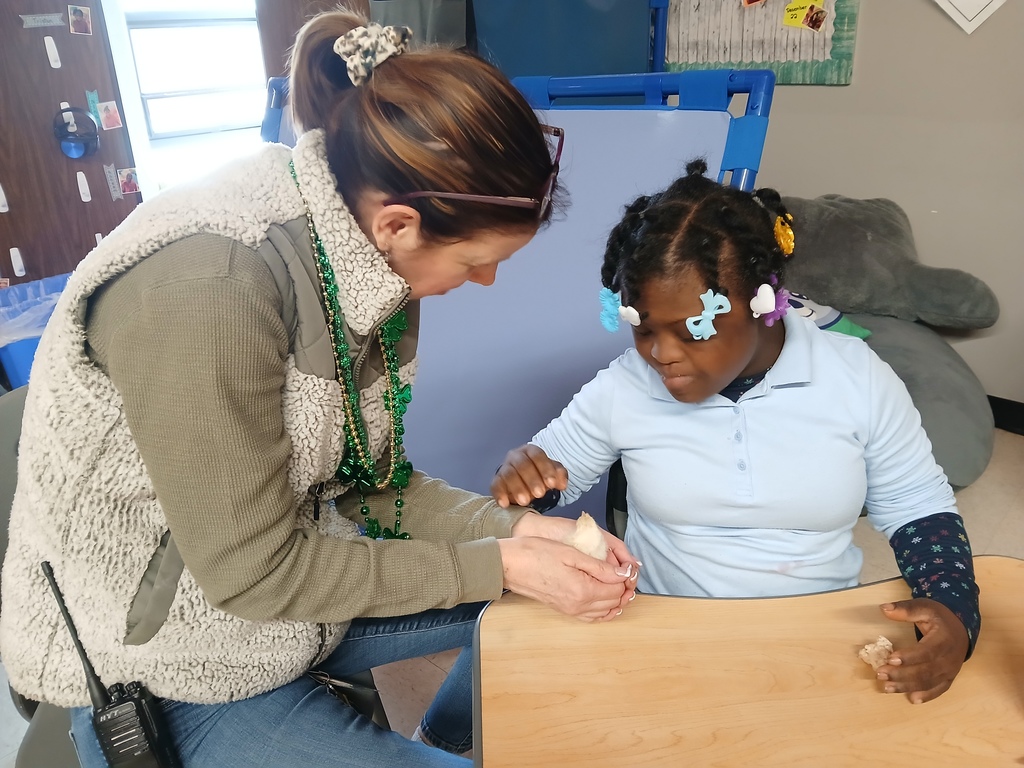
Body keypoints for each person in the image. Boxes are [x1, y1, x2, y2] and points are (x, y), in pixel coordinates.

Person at [0, 11, 639, 768]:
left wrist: (517, 535)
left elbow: (372, 486)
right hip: (161, 666)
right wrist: (499, 564)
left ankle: (451, 738)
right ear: (399, 224)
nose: (486, 281)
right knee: (517, 587)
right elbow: (255, 572)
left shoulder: (371, 267)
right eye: (475, 262)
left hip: (286, 606)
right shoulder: (210, 286)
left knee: (544, 589)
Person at [492, 159, 980, 705]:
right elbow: (550, 474)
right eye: (645, 328)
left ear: (765, 304)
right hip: (659, 629)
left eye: (693, 331)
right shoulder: (626, 385)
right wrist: (526, 475)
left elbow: (919, 506)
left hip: (812, 635)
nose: (661, 354)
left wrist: (954, 611)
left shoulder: (857, 376)